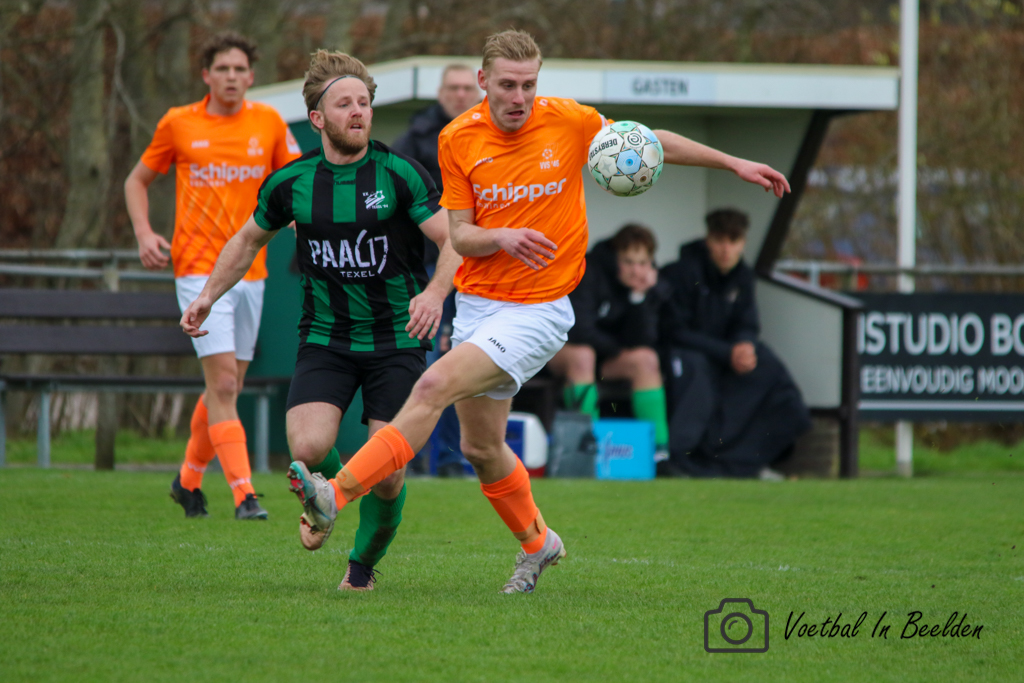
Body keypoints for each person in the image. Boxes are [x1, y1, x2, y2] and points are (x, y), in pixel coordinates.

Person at [286, 29, 790, 594]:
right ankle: (538, 543)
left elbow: (651, 141)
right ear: (483, 82)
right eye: (508, 85)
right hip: (478, 305)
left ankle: (336, 493)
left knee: (431, 387)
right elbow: (460, 236)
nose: (519, 96)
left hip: (540, 309)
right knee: (481, 448)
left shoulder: (569, 121)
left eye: (529, 84)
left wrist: (733, 163)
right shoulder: (457, 138)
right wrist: (501, 236)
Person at [180, 50, 460, 590]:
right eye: (344, 104)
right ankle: (327, 497)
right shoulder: (293, 182)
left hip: (397, 338)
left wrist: (434, 292)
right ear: (317, 118)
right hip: (326, 337)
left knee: (389, 474)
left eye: (364, 103)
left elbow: (453, 240)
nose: (358, 112)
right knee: (306, 450)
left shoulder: (400, 173)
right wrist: (208, 295)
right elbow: (246, 241)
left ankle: (360, 567)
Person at [125, 31, 302, 520]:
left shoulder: (268, 121)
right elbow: (137, 180)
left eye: (239, 69)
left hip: (252, 269)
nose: (231, 77)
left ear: (251, 76)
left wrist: (299, 216)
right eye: (222, 68)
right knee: (223, 383)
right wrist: (144, 232)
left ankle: (187, 482)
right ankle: (244, 494)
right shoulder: (178, 122)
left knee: (227, 386)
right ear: (206, 75)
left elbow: (295, 179)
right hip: (198, 268)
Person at [659, 208, 811, 479]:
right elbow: (675, 331)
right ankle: (684, 458)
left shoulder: (743, 276)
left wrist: (744, 345)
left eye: (734, 241)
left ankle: (752, 460)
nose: (726, 249)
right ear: (708, 240)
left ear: (743, 242)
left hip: (726, 355)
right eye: (720, 240)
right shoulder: (682, 272)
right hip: (686, 353)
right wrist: (728, 352)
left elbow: (748, 323)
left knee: (768, 367)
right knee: (697, 372)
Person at [391, 64, 481, 477]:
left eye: (466, 88)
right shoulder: (414, 139)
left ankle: (450, 458)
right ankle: (406, 455)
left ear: (477, 91)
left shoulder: (491, 132)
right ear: (441, 92)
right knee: (422, 360)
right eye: (453, 87)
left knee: (463, 359)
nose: (460, 94)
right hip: (427, 266)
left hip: (481, 265)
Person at [547, 223, 671, 458]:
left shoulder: (645, 286)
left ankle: (658, 453)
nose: (636, 270)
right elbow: (578, 330)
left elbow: (643, 341)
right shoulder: (588, 269)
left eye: (642, 263)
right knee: (584, 355)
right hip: (561, 352)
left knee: (646, 359)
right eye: (628, 262)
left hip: (605, 357)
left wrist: (639, 298)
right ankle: (585, 447)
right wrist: (616, 348)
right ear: (615, 258)